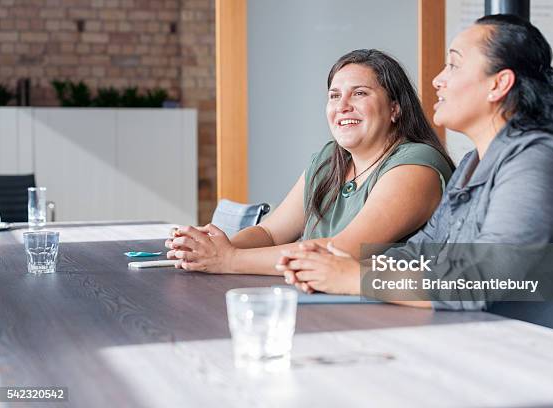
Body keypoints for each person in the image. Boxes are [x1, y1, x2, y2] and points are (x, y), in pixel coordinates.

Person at [279, 15, 553, 331]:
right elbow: (422, 252)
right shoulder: (472, 164)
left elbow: (484, 279)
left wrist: (352, 277)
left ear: (499, 84)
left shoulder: (539, 159)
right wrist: (328, 262)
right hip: (505, 339)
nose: (438, 80)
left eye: (453, 65)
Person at [167, 49, 454, 275]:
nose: (342, 106)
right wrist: (210, 248)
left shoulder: (417, 165)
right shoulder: (329, 160)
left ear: (395, 108)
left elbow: (343, 251)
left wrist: (229, 259)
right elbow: (270, 232)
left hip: (385, 319)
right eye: (334, 95)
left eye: (360, 93)